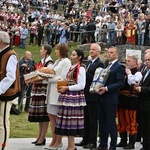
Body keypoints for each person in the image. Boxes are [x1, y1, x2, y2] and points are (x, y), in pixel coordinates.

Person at [92, 46, 125, 150]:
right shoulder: (107, 65)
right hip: (101, 98)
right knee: (102, 122)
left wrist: (106, 88)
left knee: (111, 123)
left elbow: (120, 83)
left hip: (110, 99)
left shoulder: (119, 66)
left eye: (111, 52)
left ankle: (113, 146)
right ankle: (103, 144)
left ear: (117, 54)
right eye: (108, 52)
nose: (109, 54)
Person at [55, 49, 86, 150]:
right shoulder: (72, 67)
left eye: (74, 55)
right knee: (67, 120)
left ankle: (71, 146)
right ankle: (70, 145)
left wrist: (67, 88)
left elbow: (81, 85)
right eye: (71, 55)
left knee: (71, 121)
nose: (71, 56)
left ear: (79, 57)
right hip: (67, 96)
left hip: (74, 97)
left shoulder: (80, 68)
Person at [75, 43, 104, 149]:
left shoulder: (100, 64)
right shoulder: (88, 63)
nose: (91, 51)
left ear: (98, 52)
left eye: (93, 50)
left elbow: (96, 79)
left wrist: (84, 72)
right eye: (90, 49)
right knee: (85, 118)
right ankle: (85, 138)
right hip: (86, 94)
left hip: (93, 96)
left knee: (92, 119)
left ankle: (92, 141)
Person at [44, 43, 71, 149]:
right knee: (51, 116)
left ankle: (58, 141)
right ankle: (53, 140)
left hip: (58, 91)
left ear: (62, 50)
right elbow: (52, 73)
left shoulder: (66, 61)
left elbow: (63, 77)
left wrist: (49, 79)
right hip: (51, 90)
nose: (55, 51)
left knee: (57, 117)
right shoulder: (56, 61)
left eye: (57, 49)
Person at [28, 44, 53, 146]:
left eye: (42, 49)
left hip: (43, 90)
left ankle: (42, 137)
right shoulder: (42, 61)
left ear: (46, 51)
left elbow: (49, 77)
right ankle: (39, 136)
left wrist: (36, 79)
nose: (40, 50)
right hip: (38, 89)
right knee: (40, 115)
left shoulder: (49, 63)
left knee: (44, 115)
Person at [117, 54, 142, 149]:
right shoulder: (123, 71)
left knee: (131, 122)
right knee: (121, 121)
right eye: (126, 60)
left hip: (131, 100)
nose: (126, 62)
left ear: (135, 63)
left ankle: (131, 143)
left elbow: (133, 82)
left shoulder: (137, 73)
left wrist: (128, 74)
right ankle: (123, 140)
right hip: (122, 99)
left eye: (129, 61)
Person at [0, 31, 20, 150]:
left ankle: (3, 146)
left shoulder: (10, 54)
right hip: (2, 91)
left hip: (6, 92)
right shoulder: (2, 53)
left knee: (3, 121)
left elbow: (10, 76)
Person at [135, 53, 150, 150]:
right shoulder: (146, 71)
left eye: (149, 60)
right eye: (146, 60)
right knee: (144, 126)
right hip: (143, 104)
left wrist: (142, 89)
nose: (147, 62)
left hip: (148, 104)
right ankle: (145, 145)